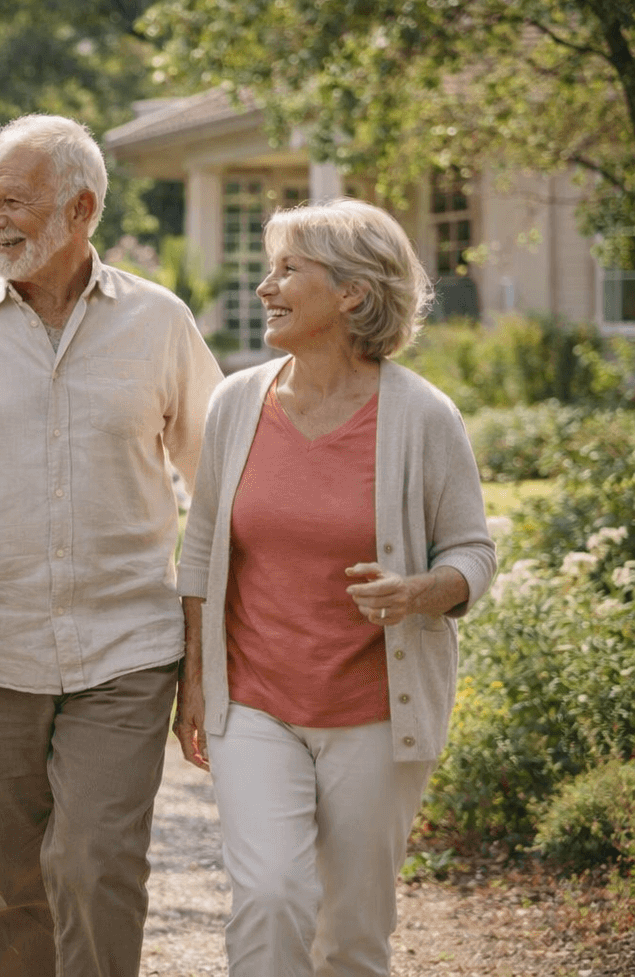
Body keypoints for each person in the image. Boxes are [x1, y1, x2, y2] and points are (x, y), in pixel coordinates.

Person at [0, 114, 223, 977]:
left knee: (98, 862)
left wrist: (206, 649)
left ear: (82, 209)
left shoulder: (159, 322)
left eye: (17, 202)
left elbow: (222, 480)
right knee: (15, 884)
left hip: (127, 647)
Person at [172, 198, 497, 977]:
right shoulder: (236, 404)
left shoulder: (422, 415)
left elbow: (474, 553)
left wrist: (422, 591)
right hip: (255, 701)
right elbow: (205, 546)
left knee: (354, 932)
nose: (265, 288)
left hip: (376, 710)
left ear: (352, 292)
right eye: (268, 268)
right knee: (272, 894)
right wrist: (194, 678)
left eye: (288, 270)